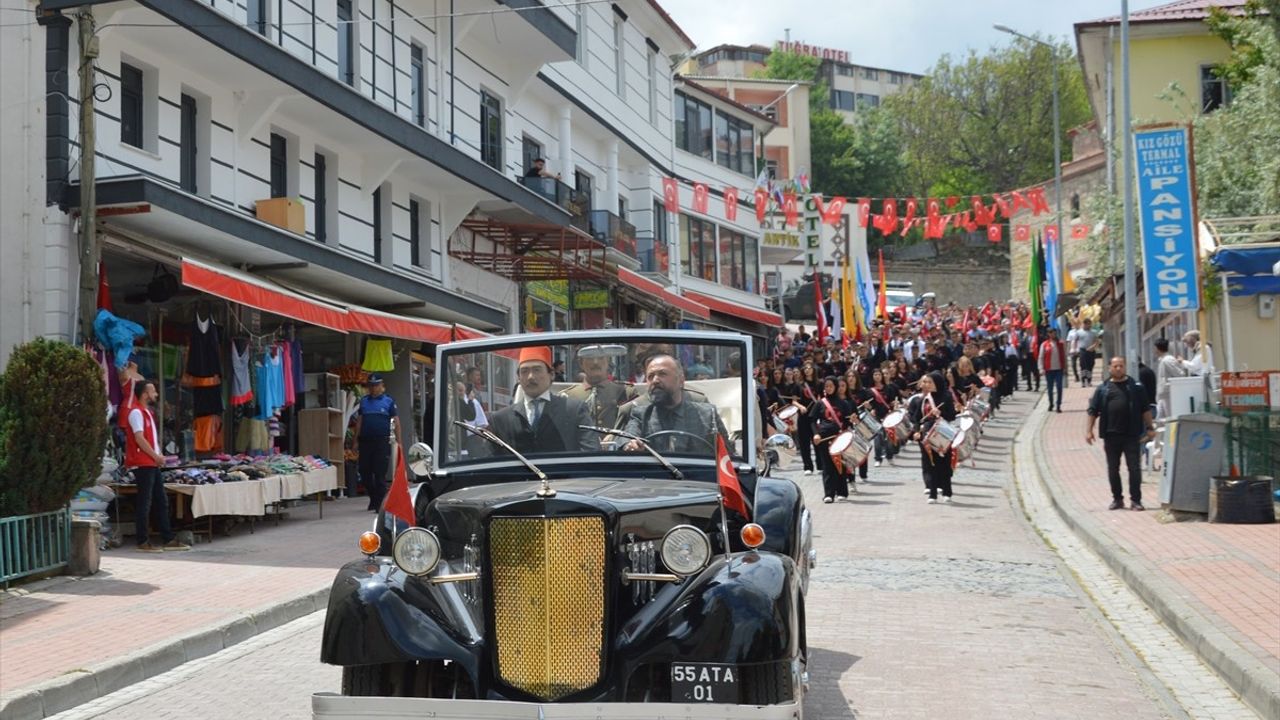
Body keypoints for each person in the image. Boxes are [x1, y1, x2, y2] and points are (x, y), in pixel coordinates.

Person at [489, 346, 592, 454]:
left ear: (551, 374)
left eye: (537, 370)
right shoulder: (500, 420)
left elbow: (590, 454)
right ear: (518, 378)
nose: (530, 377)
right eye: (524, 371)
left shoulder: (573, 411)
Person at [1086, 357, 1156, 511]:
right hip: (1111, 435)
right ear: (1109, 368)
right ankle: (1117, 499)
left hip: (1131, 435)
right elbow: (1093, 411)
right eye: (1115, 366)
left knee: (1134, 468)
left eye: (1121, 366)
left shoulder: (1136, 387)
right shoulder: (1103, 389)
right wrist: (1089, 430)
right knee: (1113, 468)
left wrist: (1150, 427)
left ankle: (1136, 500)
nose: (1118, 368)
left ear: (1125, 367)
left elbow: (1145, 409)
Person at [125, 380, 188, 552]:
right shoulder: (136, 413)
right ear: (145, 394)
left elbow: (149, 439)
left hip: (151, 462)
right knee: (145, 502)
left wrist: (157, 457)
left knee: (161, 500)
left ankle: (167, 538)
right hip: (142, 463)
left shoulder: (147, 413)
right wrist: (156, 456)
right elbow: (139, 438)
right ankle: (142, 541)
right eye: (153, 391)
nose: (156, 394)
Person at [622, 354, 729, 454]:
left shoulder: (708, 415)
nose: (655, 380)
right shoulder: (640, 415)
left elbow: (728, 457)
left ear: (681, 380)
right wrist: (630, 445)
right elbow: (626, 438)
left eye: (662, 374)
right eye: (650, 376)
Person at [908, 371, 957, 504]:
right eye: (926, 382)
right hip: (927, 434)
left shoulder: (946, 397)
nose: (927, 385)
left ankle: (947, 492)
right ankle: (933, 494)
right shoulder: (924, 399)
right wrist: (917, 431)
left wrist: (940, 413)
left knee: (944, 464)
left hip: (942, 433)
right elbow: (916, 418)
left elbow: (952, 415)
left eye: (930, 382)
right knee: (930, 464)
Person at [355, 374, 400, 512]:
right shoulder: (364, 402)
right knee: (364, 472)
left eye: (376, 385)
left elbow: (396, 422)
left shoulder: (388, 401)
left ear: (382, 386)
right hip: (366, 441)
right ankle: (374, 498)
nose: (374, 388)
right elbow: (360, 421)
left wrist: (399, 441)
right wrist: (355, 441)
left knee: (379, 473)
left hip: (382, 441)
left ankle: (380, 503)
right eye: (371, 385)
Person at [560, 346, 634, 429]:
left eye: (601, 357)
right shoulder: (568, 396)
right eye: (590, 357)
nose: (595, 362)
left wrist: (615, 436)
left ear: (608, 361)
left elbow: (635, 425)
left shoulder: (626, 392)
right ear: (581, 363)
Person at [1153, 337, 1186, 420]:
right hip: (1163, 395)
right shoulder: (1163, 360)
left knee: (1170, 419)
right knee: (1160, 421)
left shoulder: (1167, 360)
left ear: (1157, 348)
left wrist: (1168, 385)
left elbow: (1180, 374)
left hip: (1169, 394)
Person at [1039, 328, 1067, 413]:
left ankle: (1058, 405)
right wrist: (1041, 368)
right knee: (1050, 388)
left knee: (1059, 387)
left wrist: (1065, 368)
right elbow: (1041, 357)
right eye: (1051, 333)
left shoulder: (1060, 344)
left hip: (1059, 369)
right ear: (1048, 334)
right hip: (1049, 370)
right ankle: (1051, 403)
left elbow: (1064, 357)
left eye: (1054, 333)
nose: (1053, 334)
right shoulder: (1044, 344)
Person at [1076, 319, 1100, 387]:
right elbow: (1074, 341)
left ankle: (1089, 381)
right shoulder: (1079, 332)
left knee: (1090, 366)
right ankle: (1083, 381)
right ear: (1084, 324)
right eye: (1087, 324)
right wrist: (1075, 349)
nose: (1089, 325)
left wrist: (1093, 346)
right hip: (1082, 350)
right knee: (1083, 366)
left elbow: (1097, 341)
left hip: (1091, 351)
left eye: (1090, 324)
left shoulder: (1093, 332)